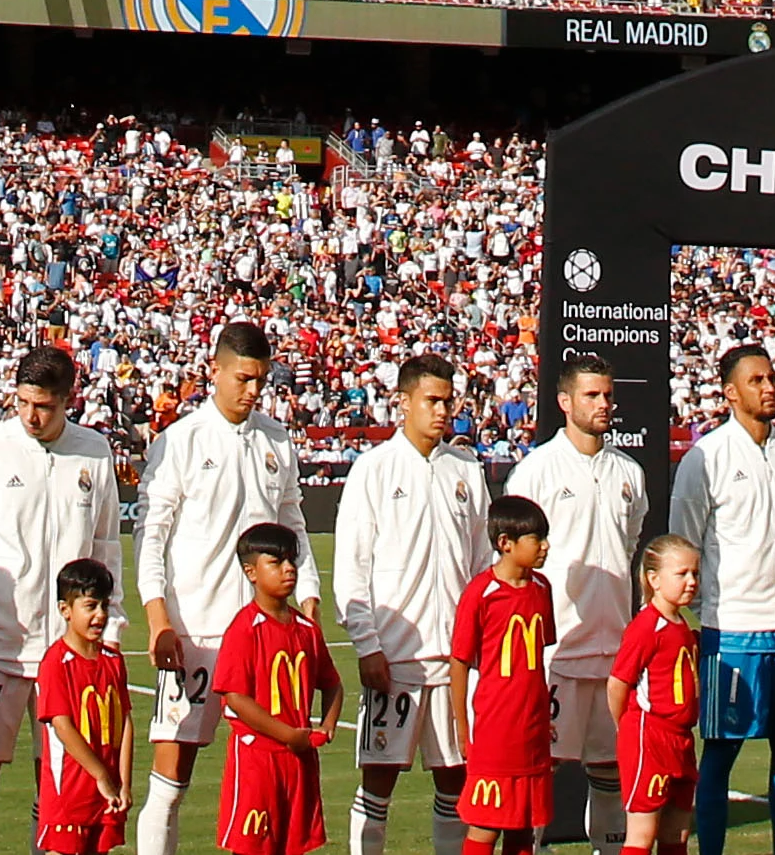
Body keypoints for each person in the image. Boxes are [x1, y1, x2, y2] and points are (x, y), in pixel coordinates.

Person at [0, 347, 123, 855]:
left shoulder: (94, 451)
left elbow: (106, 547)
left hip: (66, 655)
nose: (30, 415)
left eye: (43, 405)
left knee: (62, 784)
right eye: (22, 402)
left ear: (68, 399)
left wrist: (110, 629)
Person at [142, 323, 310, 855]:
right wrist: (158, 618)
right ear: (214, 371)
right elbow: (151, 533)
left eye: (261, 380)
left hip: (264, 636)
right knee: (171, 777)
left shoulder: (276, 439)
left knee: (271, 773)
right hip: (197, 631)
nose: (253, 390)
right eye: (243, 377)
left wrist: (308, 597)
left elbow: (294, 525)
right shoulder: (181, 440)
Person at [339, 353, 496, 855]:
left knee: (455, 783)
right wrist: (367, 645)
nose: (442, 411)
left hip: (454, 661)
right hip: (396, 658)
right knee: (378, 784)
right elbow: (352, 565)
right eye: (431, 400)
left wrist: (478, 648)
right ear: (402, 403)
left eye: (448, 401)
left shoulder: (466, 469)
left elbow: (481, 565)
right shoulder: (374, 469)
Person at [508, 354, 652, 849]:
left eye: (608, 394)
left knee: (610, 771)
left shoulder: (629, 472)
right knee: (541, 770)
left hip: (614, 651)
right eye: (592, 395)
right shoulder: (536, 471)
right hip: (556, 653)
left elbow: (630, 547)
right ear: (565, 401)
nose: (604, 403)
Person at [675, 344, 775, 855]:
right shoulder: (705, 457)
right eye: (756, 380)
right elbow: (683, 542)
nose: (770, 387)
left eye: (772, 377)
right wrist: (708, 606)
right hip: (731, 627)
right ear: (730, 392)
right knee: (720, 753)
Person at [220, 524, 345, 855]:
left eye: (292, 560)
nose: (288, 569)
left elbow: (332, 683)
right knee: (254, 847)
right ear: (251, 572)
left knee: (294, 845)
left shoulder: (306, 629)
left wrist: (327, 726)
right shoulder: (244, 629)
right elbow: (236, 698)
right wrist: (287, 734)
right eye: (275, 562)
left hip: (300, 760)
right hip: (258, 759)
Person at [452, 496, 562, 855]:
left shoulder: (542, 589)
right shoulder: (480, 594)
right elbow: (459, 663)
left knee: (524, 825)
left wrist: (546, 717)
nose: (545, 546)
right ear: (505, 544)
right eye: (536, 538)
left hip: (532, 731)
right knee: (486, 825)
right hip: (496, 729)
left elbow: (539, 661)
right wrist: (462, 728)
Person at [616, 534, 708, 855]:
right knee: (642, 833)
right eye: (681, 574)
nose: (691, 581)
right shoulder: (646, 627)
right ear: (653, 579)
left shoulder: (681, 625)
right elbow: (617, 683)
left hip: (681, 739)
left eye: (695, 573)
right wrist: (628, 725)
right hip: (650, 737)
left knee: (677, 832)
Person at [46, 564, 138, 855]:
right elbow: (63, 726)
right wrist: (100, 775)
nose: (100, 615)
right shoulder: (56, 663)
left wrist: (123, 782)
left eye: (104, 605)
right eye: (90, 606)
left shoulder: (112, 660)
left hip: (106, 792)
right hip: (70, 795)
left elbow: (124, 722)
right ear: (65, 609)